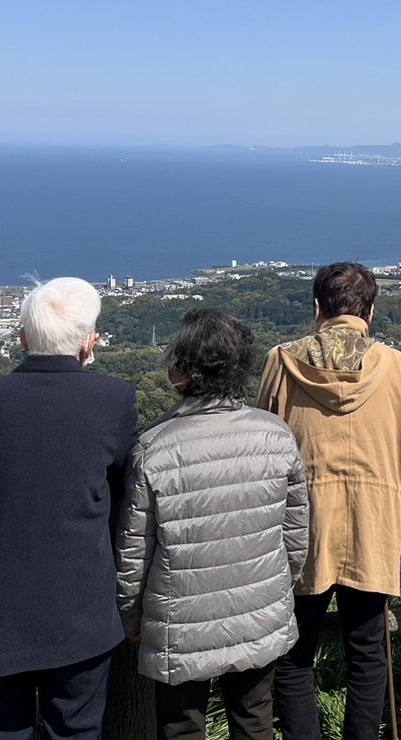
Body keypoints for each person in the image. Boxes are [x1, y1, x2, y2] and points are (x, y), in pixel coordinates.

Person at [0, 276, 138, 740]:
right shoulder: (114, 399)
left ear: (24, 339)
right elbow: (125, 502)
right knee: (75, 730)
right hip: (81, 607)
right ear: (89, 343)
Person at [256, 261, 401, 740]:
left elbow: (262, 444)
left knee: (295, 656)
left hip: (300, 529)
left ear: (318, 308)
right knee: (367, 651)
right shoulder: (397, 366)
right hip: (373, 525)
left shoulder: (282, 361)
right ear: (370, 311)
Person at [115, 309, 309, 740]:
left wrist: (134, 621)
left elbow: (133, 555)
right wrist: (279, 589)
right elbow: (296, 538)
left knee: (181, 726)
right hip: (260, 607)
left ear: (182, 368)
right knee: (254, 716)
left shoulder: (154, 448)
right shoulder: (275, 436)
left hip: (178, 618)